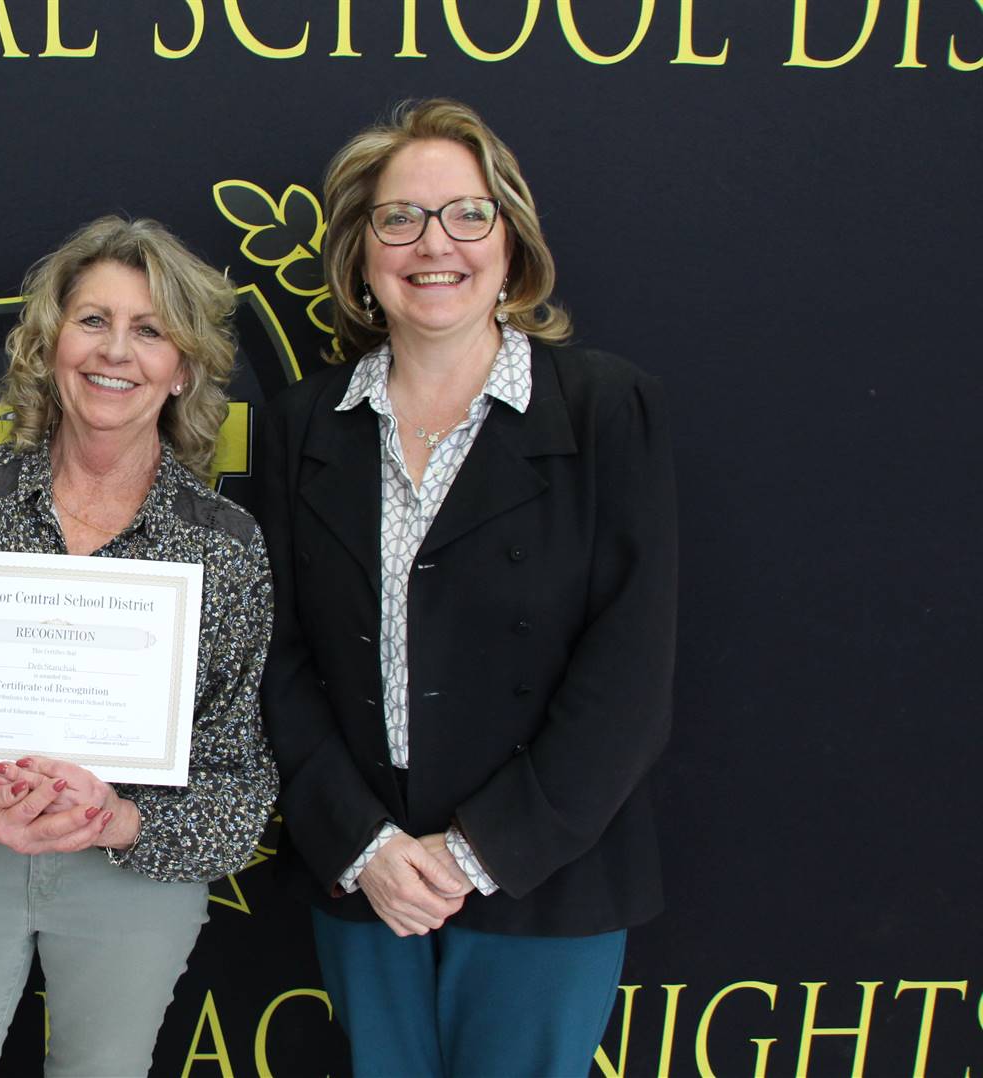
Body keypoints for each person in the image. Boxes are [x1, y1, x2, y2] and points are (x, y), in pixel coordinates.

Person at [255, 98, 678, 1077]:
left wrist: (471, 854)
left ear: (512, 243)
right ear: (360, 253)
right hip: (367, 878)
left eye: (466, 213)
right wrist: (364, 844)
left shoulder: (608, 407)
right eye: (399, 217)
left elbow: (631, 668)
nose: (433, 242)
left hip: (544, 875)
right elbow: (276, 654)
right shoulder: (301, 424)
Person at [0, 216, 279, 1076]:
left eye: (149, 330)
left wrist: (119, 819)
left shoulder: (225, 544)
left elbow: (241, 778)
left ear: (182, 367)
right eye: (93, 320)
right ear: (49, 345)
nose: (115, 351)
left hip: (132, 876)